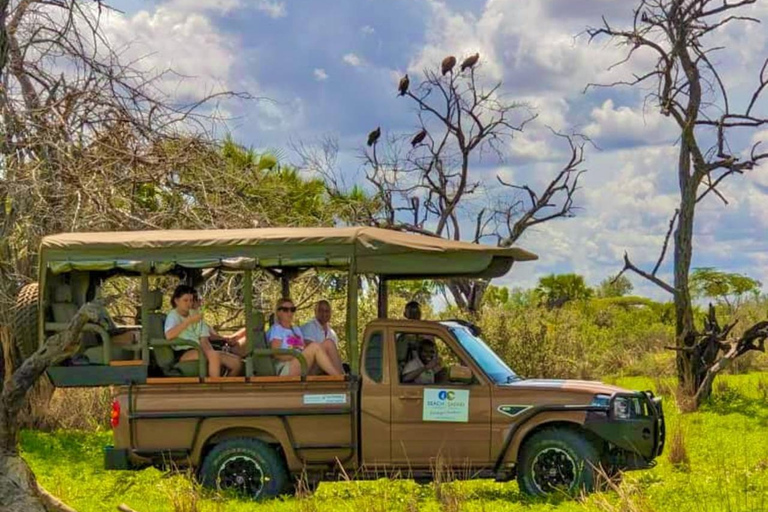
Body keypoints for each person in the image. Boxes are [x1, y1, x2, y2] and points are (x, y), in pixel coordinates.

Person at [164, 285, 243, 377]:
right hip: (183, 351)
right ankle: (214, 387)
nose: (189, 303)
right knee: (213, 356)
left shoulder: (195, 314)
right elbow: (169, 335)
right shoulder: (173, 316)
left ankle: (225, 387)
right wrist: (188, 322)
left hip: (199, 348)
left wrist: (211, 352)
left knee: (236, 362)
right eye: (185, 300)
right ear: (176, 301)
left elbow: (204, 340)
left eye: (191, 300)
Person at [267, 298, 341, 377]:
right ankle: (338, 378)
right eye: (285, 310)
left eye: (292, 309)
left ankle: (343, 376)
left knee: (328, 343)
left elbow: (304, 349)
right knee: (314, 346)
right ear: (278, 312)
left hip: (302, 363)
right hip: (286, 368)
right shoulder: (277, 329)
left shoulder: (296, 330)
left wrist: (303, 355)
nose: (289, 313)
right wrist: (296, 355)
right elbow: (276, 354)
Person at [192, 292, 249, 357]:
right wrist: (227, 339)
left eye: (200, 300)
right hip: (222, 350)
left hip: (223, 344)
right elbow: (210, 338)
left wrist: (230, 338)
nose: (200, 303)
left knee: (250, 329)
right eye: (198, 300)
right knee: (253, 336)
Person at [300, 300, 344, 375]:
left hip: (326, 369)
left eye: (327, 311)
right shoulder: (309, 327)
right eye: (321, 310)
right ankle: (341, 378)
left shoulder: (332, 333)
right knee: (328, 344)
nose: (324, 314)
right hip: (310, 368)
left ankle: (342, 377)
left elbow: (335, 357)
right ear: (315, 312)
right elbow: (307, 349)